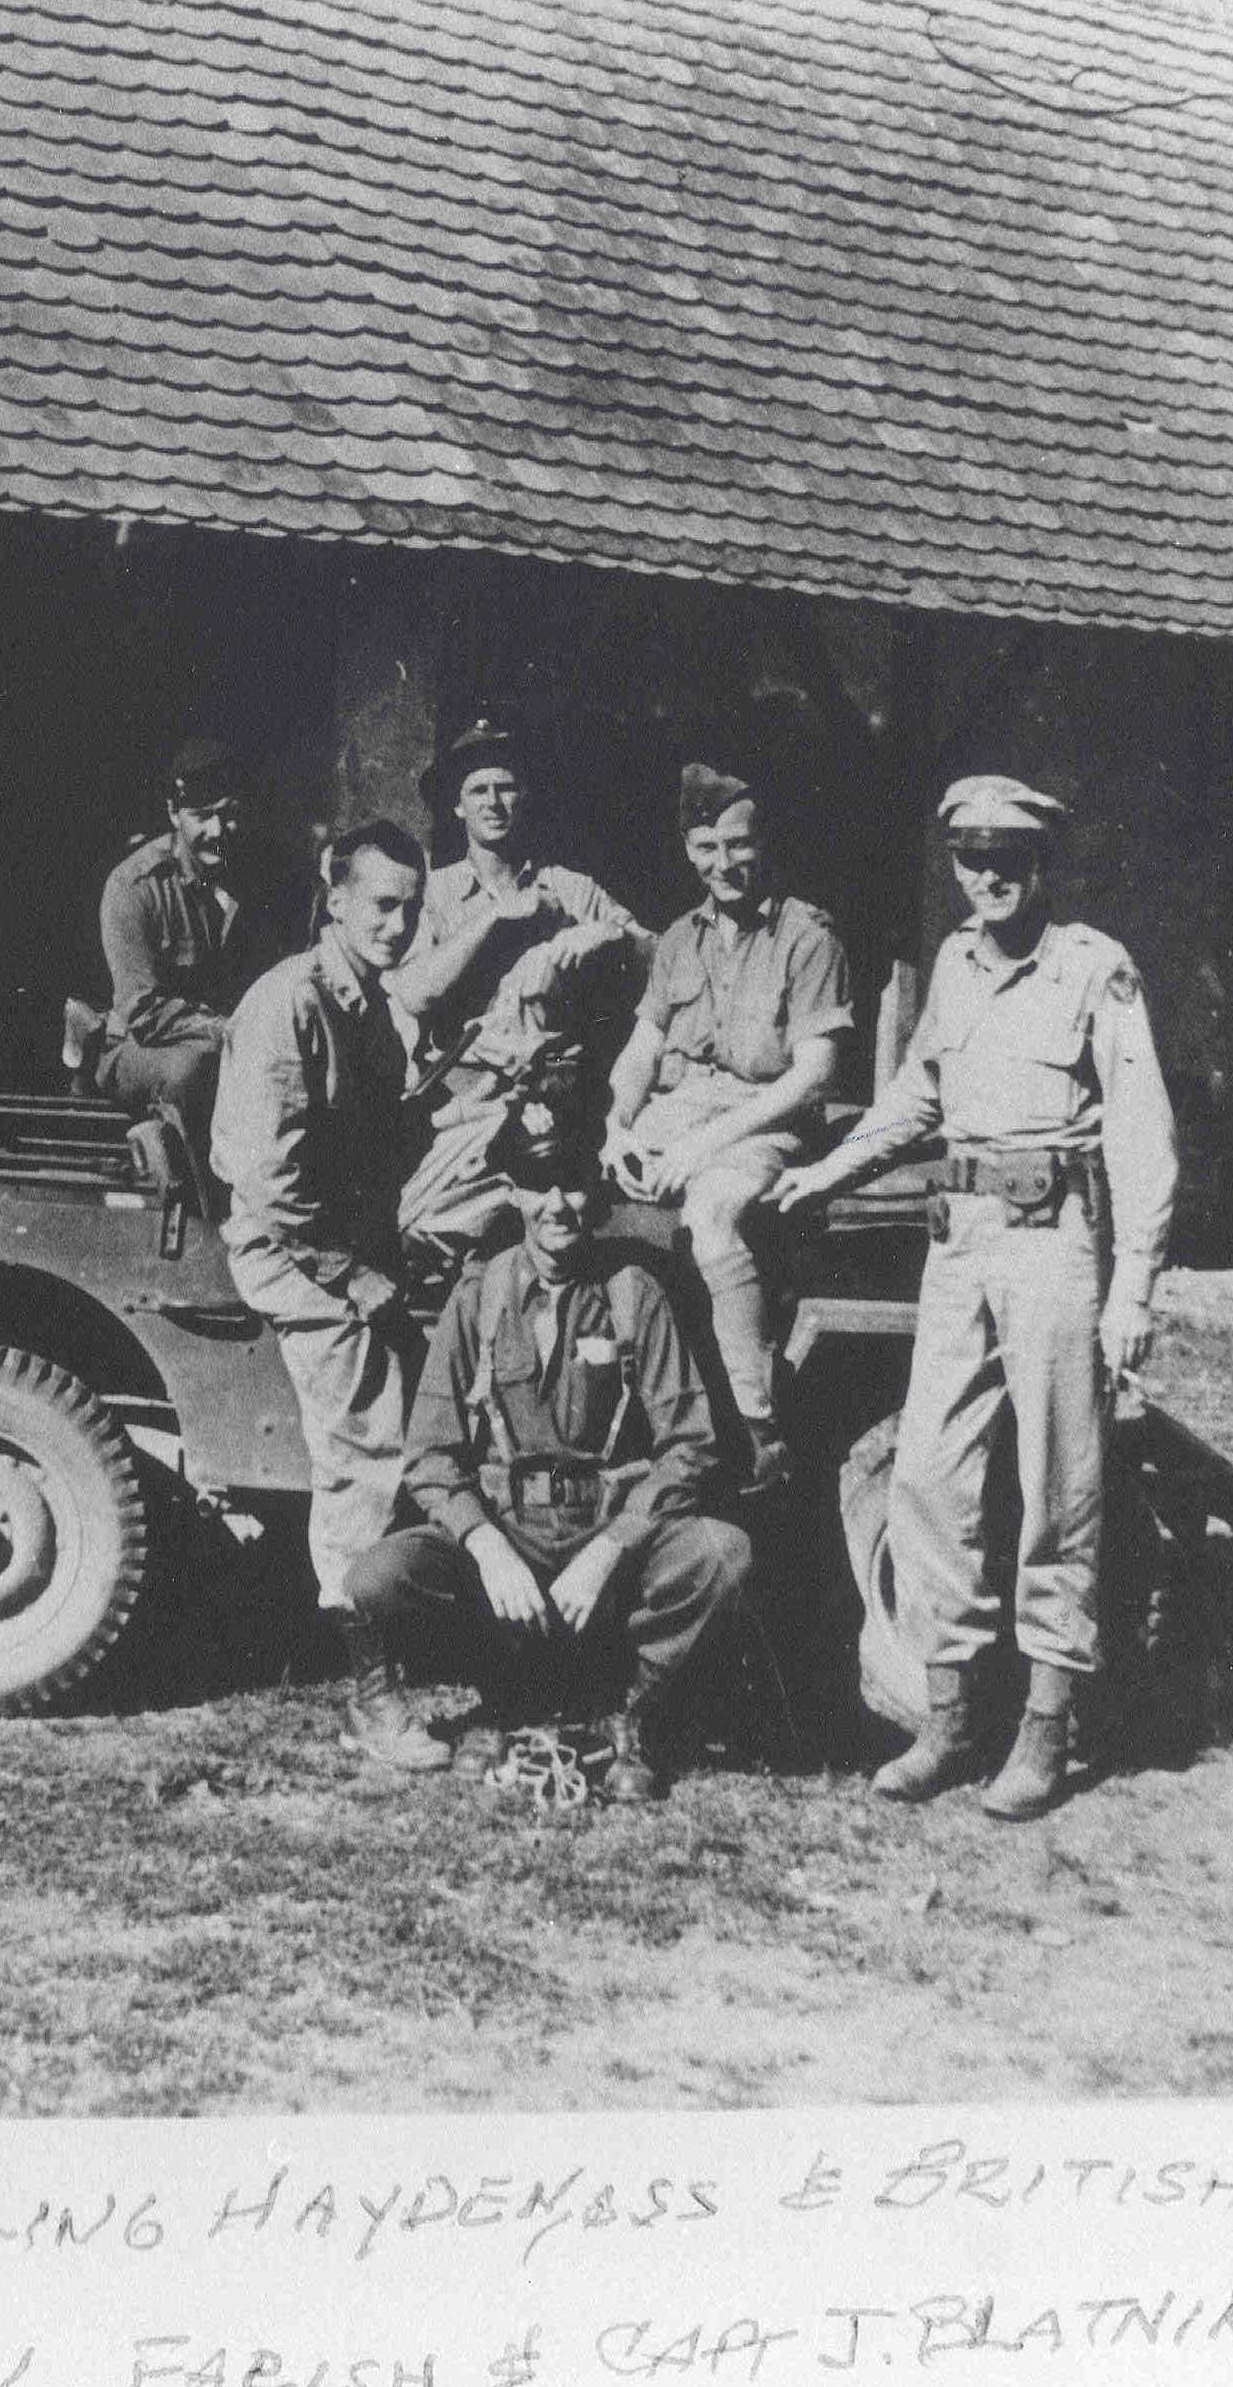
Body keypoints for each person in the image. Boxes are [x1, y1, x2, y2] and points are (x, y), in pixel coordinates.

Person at [773, 775, 1179, 1822]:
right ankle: (946, 1718)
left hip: (1054, 1243)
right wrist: (829, 1172)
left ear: (1042, 866)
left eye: (1007, 859)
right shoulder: (952, 963)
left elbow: (1141, 1133)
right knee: (926, 1475)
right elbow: (918, 1093)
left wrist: (1133, 1285)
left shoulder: (1095, 970)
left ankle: (1046, 1728)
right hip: (956, 1241)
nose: (988, 877)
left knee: (1059, 1487)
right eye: (970, 858)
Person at [340, 1103, 754, 1798]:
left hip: (608, 1528)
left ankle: (637, 1721)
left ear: (593, 1190)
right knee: (376, 1580)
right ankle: (431, 1704)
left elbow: (690, 1446)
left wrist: (610, 1548)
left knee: (721, 1555)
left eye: (570, 1182)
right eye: (537, 1183)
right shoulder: (478, 1296)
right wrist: (485, 1544)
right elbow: (431, 1456)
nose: (556, 1204)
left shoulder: (633, 1294)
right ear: (512, 1193)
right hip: (510, 1533)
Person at [211, 819, 433, 1666]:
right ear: (334, 901)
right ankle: (366, 1670)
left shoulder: (366, 1002)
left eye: (410, 910)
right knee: (365, 1437)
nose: (397, 926)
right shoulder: (290, 1001)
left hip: (343, 1236)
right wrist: (352, 1276)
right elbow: (269, 1180)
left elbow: (374, 1140)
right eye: (379, 906)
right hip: (292, 1251)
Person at [596, 763, 854, 1461]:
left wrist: (702, 1145)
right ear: (688, 850)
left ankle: (753, 1420)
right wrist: (615, 1126)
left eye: (738, 845)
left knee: (711, 1214)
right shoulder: (680, 938)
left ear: (762, 843)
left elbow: (812, 1076)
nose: (724, 864)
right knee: (576, 1211)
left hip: (760, 1120)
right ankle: (608, 1411)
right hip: (674, 1116)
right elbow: (641, 1049)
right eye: (707, 849)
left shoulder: (807, 938)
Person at [388, 718, 649, 1265]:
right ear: (457, 807)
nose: (493, 802)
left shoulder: (569, 888)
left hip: (556, 1097)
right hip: (465, 1106)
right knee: (421, 1221)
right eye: (477, 790)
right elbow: (412, 992)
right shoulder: (434, 894)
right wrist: (492, 917)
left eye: (505, 787)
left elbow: (659, 958)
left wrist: (605, 936)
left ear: (524, 795)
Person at [87, 735, 265, 1145]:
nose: (218, 830)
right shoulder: (135, 887)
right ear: (173, 812)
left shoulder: (258, 877)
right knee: (194, 1072)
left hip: (231, 1042)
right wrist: (234, 1035)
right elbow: (143, 1010)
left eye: (229, 814)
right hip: (140, 1045)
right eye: (202, 816)